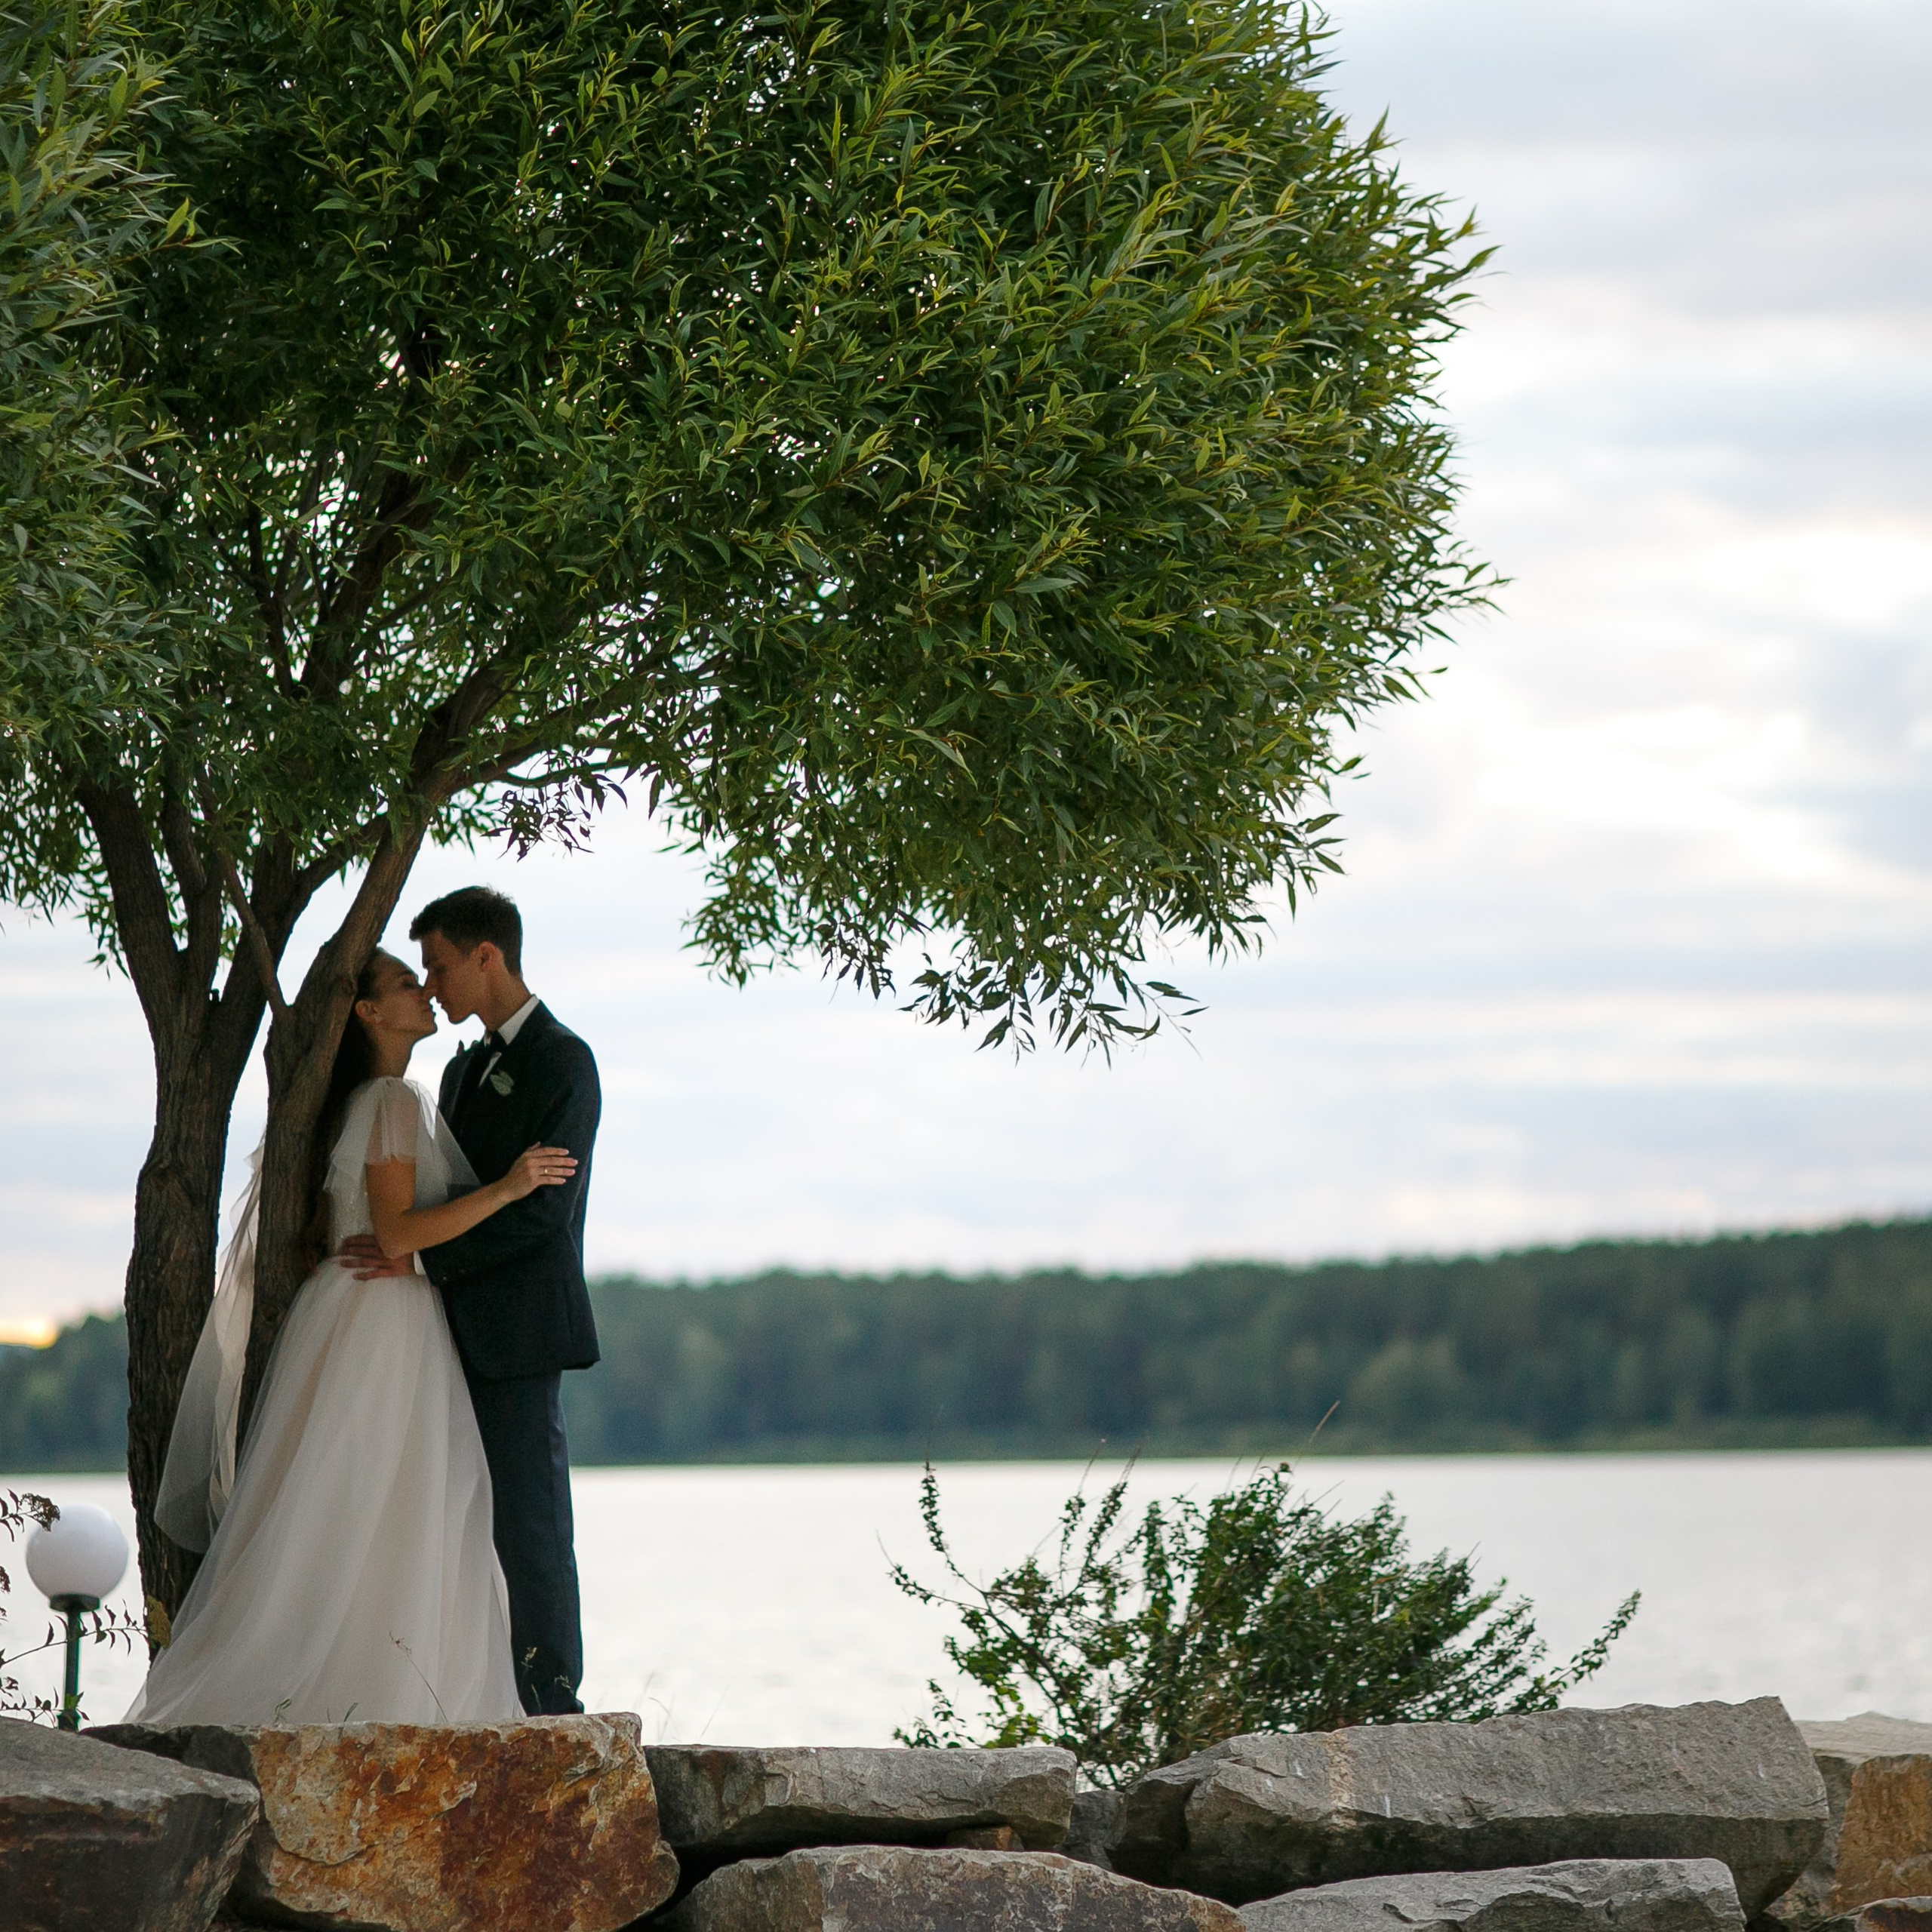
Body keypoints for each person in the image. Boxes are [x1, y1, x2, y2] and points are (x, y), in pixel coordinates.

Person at [127, 949, 578, 1724]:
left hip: (354, 1313)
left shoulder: (369, 1101)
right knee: (400, 1502)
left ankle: (353, 1680)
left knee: (354, 1503)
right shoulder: (392, 1100)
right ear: (368, 1011)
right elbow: (397, 1234)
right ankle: (389, 1692)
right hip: (387, 1318)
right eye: (410, 981)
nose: (426, 990)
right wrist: (510, 1186)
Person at [342, 886, 601, 1716]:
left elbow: (544, 1214)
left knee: (529, 1525)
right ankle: (465, 1691)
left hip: (519, 1333)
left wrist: (424, 1261)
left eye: (441, 965)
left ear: (487, 956)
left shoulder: (565, 1061)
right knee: (448, 1523)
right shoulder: (457, 1070)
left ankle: (552, 1700)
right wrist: (406, 1249)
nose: (435, 984)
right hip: (440, 1332)